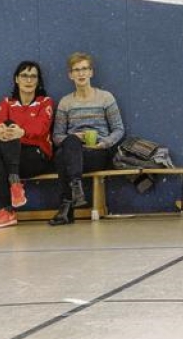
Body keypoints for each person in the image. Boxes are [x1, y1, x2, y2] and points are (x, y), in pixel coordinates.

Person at [48, 53, 125, 226]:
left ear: (91, 72)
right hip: (73, 151)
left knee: (62, 158)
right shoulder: (65, 102)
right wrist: (74, 137)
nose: (81, 74)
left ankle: (66, 207)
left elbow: (119, 129)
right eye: (76, 70)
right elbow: (57, 136)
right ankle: (76, 187)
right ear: (70, 75)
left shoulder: (105, 97)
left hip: (97, 152)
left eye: (84, 69)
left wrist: (104, 143)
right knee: (67, 147)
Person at [0, 61, 55, 229]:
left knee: (11, 130)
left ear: (38, 81)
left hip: (36, 157)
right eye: (24, 75)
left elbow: (41, 127)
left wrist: (21, 132)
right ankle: (8, 208)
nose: (28, 80)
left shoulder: (45, 102)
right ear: (16, 79)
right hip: (12, 160)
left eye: (33, 76)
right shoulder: (7, 102)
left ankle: (12, 188)